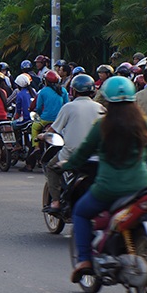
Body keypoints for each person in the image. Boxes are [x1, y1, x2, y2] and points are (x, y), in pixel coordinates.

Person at [64, 76, 147, 283]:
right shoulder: (143, 123)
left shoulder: (102, 125)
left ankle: (84, 260)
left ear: (107, 100)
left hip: (108, 188)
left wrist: (67, 165)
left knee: (81, 212)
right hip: (141, 187)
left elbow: (83, 152)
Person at [42, 74, 105, 214]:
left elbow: (53, 129)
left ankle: (56, 202)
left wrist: (42, 136)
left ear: (74, 91)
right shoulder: (100, 108)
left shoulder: (69, 107)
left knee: (52, 168)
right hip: (97, 156)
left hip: (71, 154)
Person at [32, 70, 69, 148]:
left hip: (45, 120)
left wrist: (40, 115)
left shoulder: (43, 91)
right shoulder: (63, 91)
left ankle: (36, 147)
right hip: (59, 121)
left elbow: (38, 107)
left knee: (34, 127)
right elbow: (67, 105)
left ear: (46, 81)